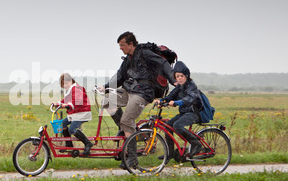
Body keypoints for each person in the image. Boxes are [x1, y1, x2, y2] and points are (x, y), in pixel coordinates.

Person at [98, 31, 176, 168]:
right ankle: (125, 129)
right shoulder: (128, 59)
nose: (120, 48)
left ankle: (132, 159)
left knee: (127, 120)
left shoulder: (144, 53)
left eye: (122, 45)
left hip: (142, 92)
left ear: (131, 44)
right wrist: (105, 87)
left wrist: (173, 79)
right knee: (107, 101)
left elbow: (163, 63)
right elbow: (120, 76)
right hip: (129, 89)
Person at [155, 61, 203, 162]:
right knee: (167, 126)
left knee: (177, 126)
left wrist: (178, 102)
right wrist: (161, 101)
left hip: (194, 113)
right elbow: (170, 97)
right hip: (184, 113)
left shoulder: (191, 86)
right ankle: (170, 153)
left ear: (186, 76)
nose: (179, 78)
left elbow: (191, 98)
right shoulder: (179, 87)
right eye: (177, 76)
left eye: (181, 76)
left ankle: (196, 144)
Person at [54, 73, 93, 156]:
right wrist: (57, 103)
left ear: (71, 81)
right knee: (62, 124)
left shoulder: (77, 89)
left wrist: (68, 105)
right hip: (75, 113)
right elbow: (65, 100)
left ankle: (88, 143)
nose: (65, 85)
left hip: (82, 113)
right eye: (63, 84)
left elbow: (77, 101)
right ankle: (69, 144)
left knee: (72, 129)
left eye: (66, 83)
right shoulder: (70, 90)